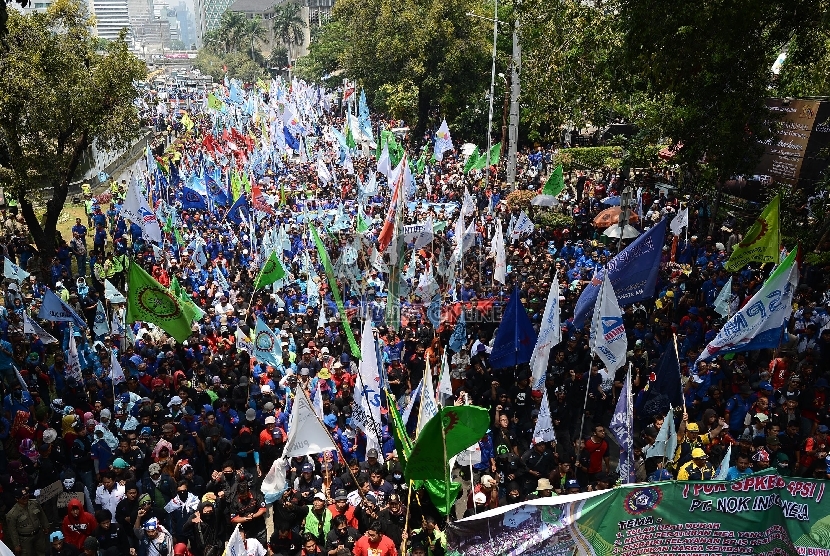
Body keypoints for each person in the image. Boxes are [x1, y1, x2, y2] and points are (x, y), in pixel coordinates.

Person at [7, 486, 50, 556]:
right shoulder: (12, 514)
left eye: (27, 496)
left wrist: (46, 526)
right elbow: (12, 531)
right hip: (25, 538)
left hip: (38, 534)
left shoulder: (34, 503)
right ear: (17, 499)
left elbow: (42, 515)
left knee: (42, 551)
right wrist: (16, 545)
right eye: (23, 498)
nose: (25, 499)